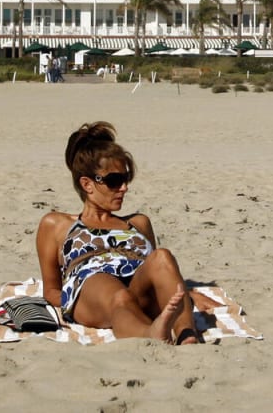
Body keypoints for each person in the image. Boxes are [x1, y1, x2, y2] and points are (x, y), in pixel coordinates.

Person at [35, 121, 199, 343]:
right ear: (87, 184)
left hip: (139, 292)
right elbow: (51, 290)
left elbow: (157, 273)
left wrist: (185, 294)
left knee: (162, 256)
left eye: (126, 178)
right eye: (114, 180)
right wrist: (79, 303)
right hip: (92, 290)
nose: (124, 187)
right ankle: (149, 334)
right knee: (118, 295)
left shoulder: (139, 223)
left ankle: (187, 335)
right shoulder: (57, 224)